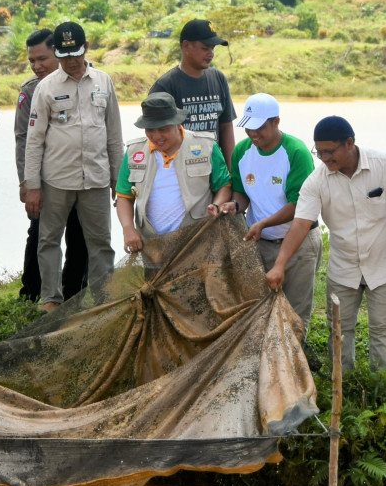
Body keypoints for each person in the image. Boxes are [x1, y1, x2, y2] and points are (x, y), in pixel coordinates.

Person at [267, 116, 386, 372]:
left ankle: (382, 389)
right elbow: (300, 224)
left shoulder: (384, 164)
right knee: (339, 329)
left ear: (349, 143)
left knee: (383, 330)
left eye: (329, 151)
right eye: (319, 152)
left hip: (384, 263)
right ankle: (343, 384)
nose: (324, 158)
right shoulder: (316, 181)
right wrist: (279, 265)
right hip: (344, 267)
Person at [23, 21, 123, 313]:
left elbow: (114, 136)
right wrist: (33, 186)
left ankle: (105, 302)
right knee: (49, 240)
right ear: (56, 52)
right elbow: (34, 141)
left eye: (76, 54)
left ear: (87, 48)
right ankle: (50, 300)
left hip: (96, 179)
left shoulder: (104, 82)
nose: (70, 62)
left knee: (101, 242)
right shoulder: (46, 88)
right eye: (64, 56)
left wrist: (119, 179)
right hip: (56, 180)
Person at [229, 93, 322, 337]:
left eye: (259, 128)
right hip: (261, 244)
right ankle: (267, 367)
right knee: (260, 309)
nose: (253, 134)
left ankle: (293, 370)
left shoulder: (296, 152)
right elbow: (241, 193)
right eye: (248, 128)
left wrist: (264, 222)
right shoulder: (241, 152)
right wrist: (234, 207)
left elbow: (299, 205)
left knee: (295, 312)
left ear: (276, 122)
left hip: (299, 244)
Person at [14, 28, 88, 303]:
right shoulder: (31, 91)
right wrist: (27, 183)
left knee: (81, 239)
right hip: (46, 182)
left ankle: (74, 298)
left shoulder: (90, 81)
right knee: (40, 237)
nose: (37, 66)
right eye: (32, 60)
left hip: (83, 179)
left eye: (42, 58)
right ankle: (32, 296)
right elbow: (23, 140)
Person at [115, 92, 232, 252]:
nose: (156, 136)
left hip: (197, 242)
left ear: (178, 123)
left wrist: (215, 206)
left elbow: (224, 186)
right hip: (151, 246)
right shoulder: (134, 152)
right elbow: (124, 197)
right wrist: (128, 228)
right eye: (150, 130)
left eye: (163, 129)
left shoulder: (206, 146)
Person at [150, 19, 238, 166]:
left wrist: (231, 171)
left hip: (214, 170)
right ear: (186, 46)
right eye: (205, 48)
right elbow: (156, 137)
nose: (211, 54)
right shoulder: (165, 86)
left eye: (213, 49)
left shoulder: (218, 79)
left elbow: (226, 126)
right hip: (180, 171)